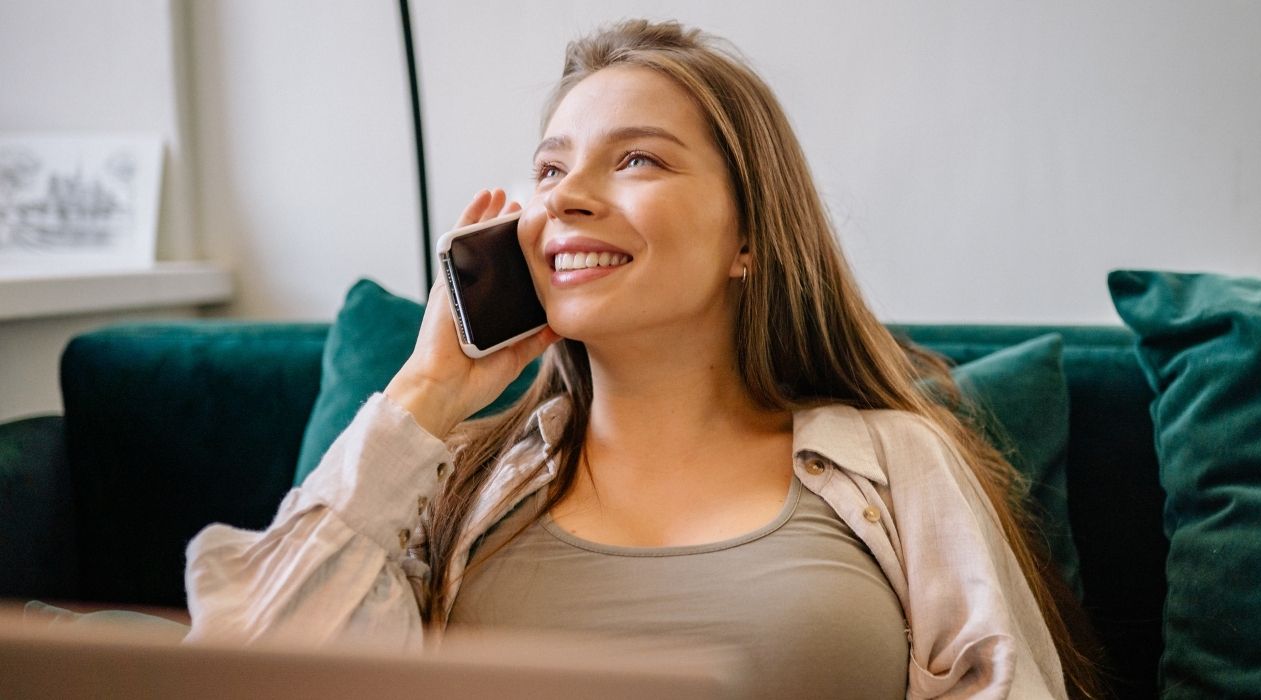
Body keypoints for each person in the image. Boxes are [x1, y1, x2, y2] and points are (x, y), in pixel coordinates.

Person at [185, 18, 1103, 699]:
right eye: (549, 170)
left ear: (749, 234)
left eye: (637, 162)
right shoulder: (455, 486)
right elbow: (243, 680)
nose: (568, 198)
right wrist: (429, 392)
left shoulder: (897, 461)